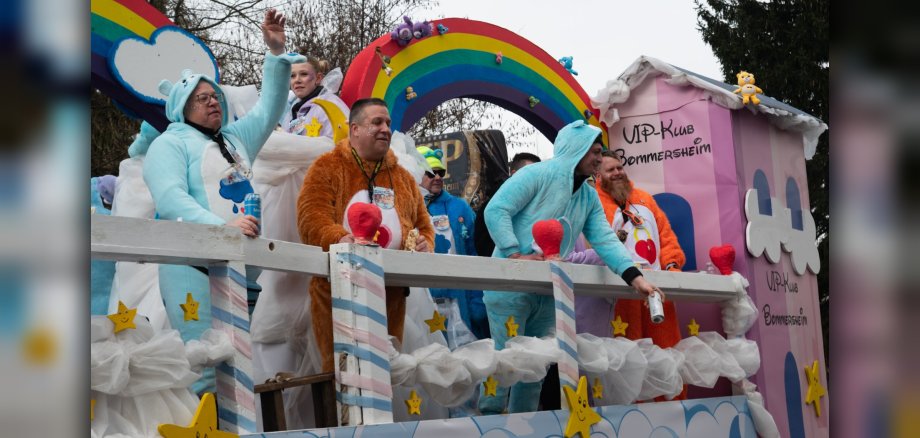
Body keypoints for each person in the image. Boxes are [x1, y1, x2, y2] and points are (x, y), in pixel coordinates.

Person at [142, 8, 304, 394]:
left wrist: (275, 54)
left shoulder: (235, 140)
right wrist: (222, 229)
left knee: (237, 374)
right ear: (182, 106)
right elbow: (170, 198)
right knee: (206, 373)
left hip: (240, 272)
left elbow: (268, 109)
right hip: (193, 269)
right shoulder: (170, 143)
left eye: (214, 95)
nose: (213, 101)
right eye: (202, 98)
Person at [479, 120, 663, 414]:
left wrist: (635, 278)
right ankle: (489, 425)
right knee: (504, 363)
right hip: (509, 286)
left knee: (535, 368)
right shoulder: (536, 174)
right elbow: (496, 209)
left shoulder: (588, 195)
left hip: (548, 289)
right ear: (576, 149)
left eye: (600, 152)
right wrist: (514, 254)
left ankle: (525, 429)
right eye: (594, 152)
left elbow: (604, 239)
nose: (599, 159)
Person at [297, 97, 435, 373]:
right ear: (355, 129)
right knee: (342, 373)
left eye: (388, 123)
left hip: (392, 292)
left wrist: (425, 241)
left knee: (387, 371)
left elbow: (424, 224)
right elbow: (310, 218)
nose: (385, 128)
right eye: (377, 122)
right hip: (338, 290)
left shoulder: (404, 178)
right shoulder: (327, 167)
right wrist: (339, 238)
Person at [590, 149, 687, 399]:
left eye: (620, 167)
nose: (618, 172)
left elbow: (667, 238)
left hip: (657, 291)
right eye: (611, 170)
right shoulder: (593, 202)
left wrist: (672, 266)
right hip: (619, 295)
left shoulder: (644, 199)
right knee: (629, 359)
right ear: (597, 175)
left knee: (667, 354)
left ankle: (674, 410)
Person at [416, 146, 488, 343]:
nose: (437, 177)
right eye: (431, 173)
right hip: (425, 297)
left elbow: (473, 252)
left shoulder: (459, 207)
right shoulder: (410, 206)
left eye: (440, 172)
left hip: (459, 296)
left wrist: (476, 300)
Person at [279, 58, 350, 139]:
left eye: (304, 74)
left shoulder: (331, 105)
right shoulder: (293, 110)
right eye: (292, 76)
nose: (297, 80)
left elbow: (340, 145)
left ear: (318, 78)